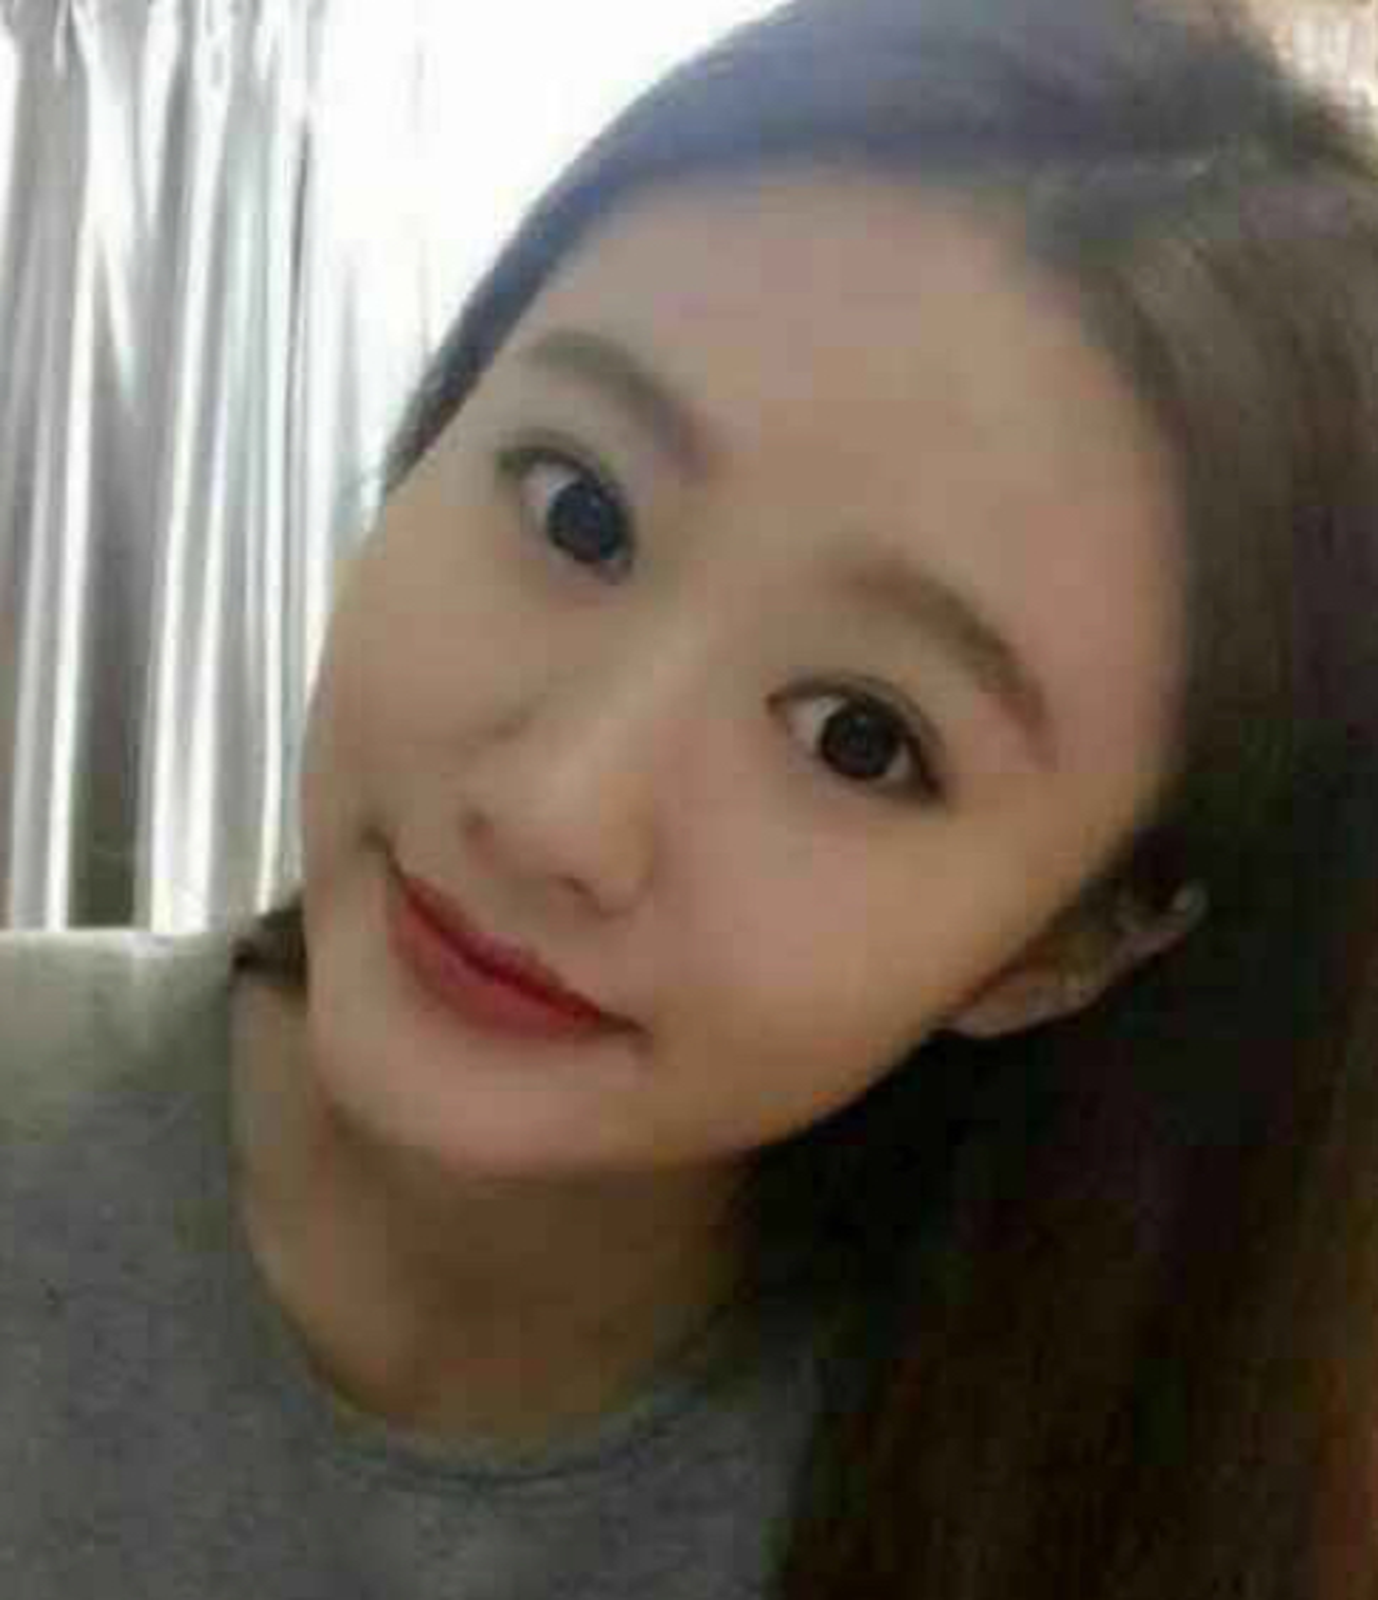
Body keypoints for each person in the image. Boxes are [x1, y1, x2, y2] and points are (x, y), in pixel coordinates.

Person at [6, 0, 1378, 1592]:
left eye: (860, 739)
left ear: (1067, 944)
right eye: (577, 511)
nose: (555, 811)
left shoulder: (1149, 1506)